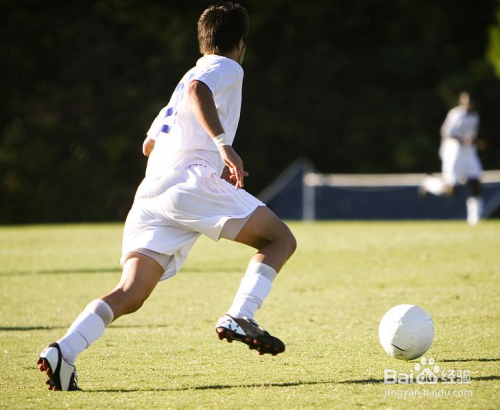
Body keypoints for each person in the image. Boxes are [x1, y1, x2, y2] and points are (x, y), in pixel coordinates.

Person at [37, 1, 296, 391]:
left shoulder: (182, 79)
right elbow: (199, 89)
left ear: (201, 38)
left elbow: (147, 144)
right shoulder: (224, 67)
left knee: (131, 292)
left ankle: (65, 350)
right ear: (240, 43)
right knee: (280, 239)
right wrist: (223, 146)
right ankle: (240, 315)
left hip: (153, 191)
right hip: (189, 182)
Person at [419, 92, 484, 225]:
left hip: (469, 154)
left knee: (475, 182)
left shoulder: (475, 117)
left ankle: (474, 219)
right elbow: (447, 133)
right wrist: (463, 140)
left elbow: (471, 136)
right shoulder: (456, 114)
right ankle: (429, 183)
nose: (469, 104)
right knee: (452, 190)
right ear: (462, 102)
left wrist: (476, 142)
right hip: (453, 153)